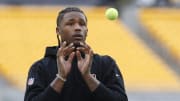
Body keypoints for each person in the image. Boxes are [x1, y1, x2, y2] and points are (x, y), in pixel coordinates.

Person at [24, 7, 128, 101]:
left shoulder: (106, 64)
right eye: (70, 23)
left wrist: (88, 77)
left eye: (82, 24)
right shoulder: (41, 67)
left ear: (87, 31)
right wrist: (60, 78)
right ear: (58, 31)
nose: (78, 28)